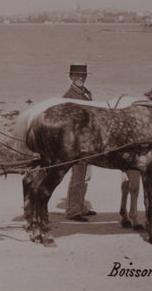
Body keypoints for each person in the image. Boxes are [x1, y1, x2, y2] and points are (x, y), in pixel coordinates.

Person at [63, 63, 97, 222]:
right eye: (77, 76)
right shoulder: (69, 96)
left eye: (83, 75)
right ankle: (73, 210)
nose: (81, 78)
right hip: (77, 142)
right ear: (71, 77)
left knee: (85, 176)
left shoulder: (86, 93)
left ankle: (80, 205)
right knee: (78, 176)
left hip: (88, 141)